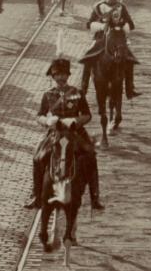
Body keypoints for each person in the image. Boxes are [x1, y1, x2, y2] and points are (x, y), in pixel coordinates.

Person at [30, 57, 101, 211]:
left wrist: (75, 120)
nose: (61, 77)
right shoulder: (48, 94)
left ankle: (95, 196)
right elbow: (39, 115)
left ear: (68, 76)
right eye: (57, 74)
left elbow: (87, 114)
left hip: (75, 132)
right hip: (55, 132)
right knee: (38, 157)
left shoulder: (77, 93)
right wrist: (48, 121)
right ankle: (36, 195)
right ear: (53, 77)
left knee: (90, 155)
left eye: (63, 74)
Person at [86, 0, 140, 99]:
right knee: (88, 57)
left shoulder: (121, 7)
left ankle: (129, 88)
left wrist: (122, 26)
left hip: (118, 40)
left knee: (130, 60)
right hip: (101, 38)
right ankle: (83, 86)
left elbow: (131, 25)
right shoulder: (98, 7)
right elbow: (89, 24)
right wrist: (100, 26)